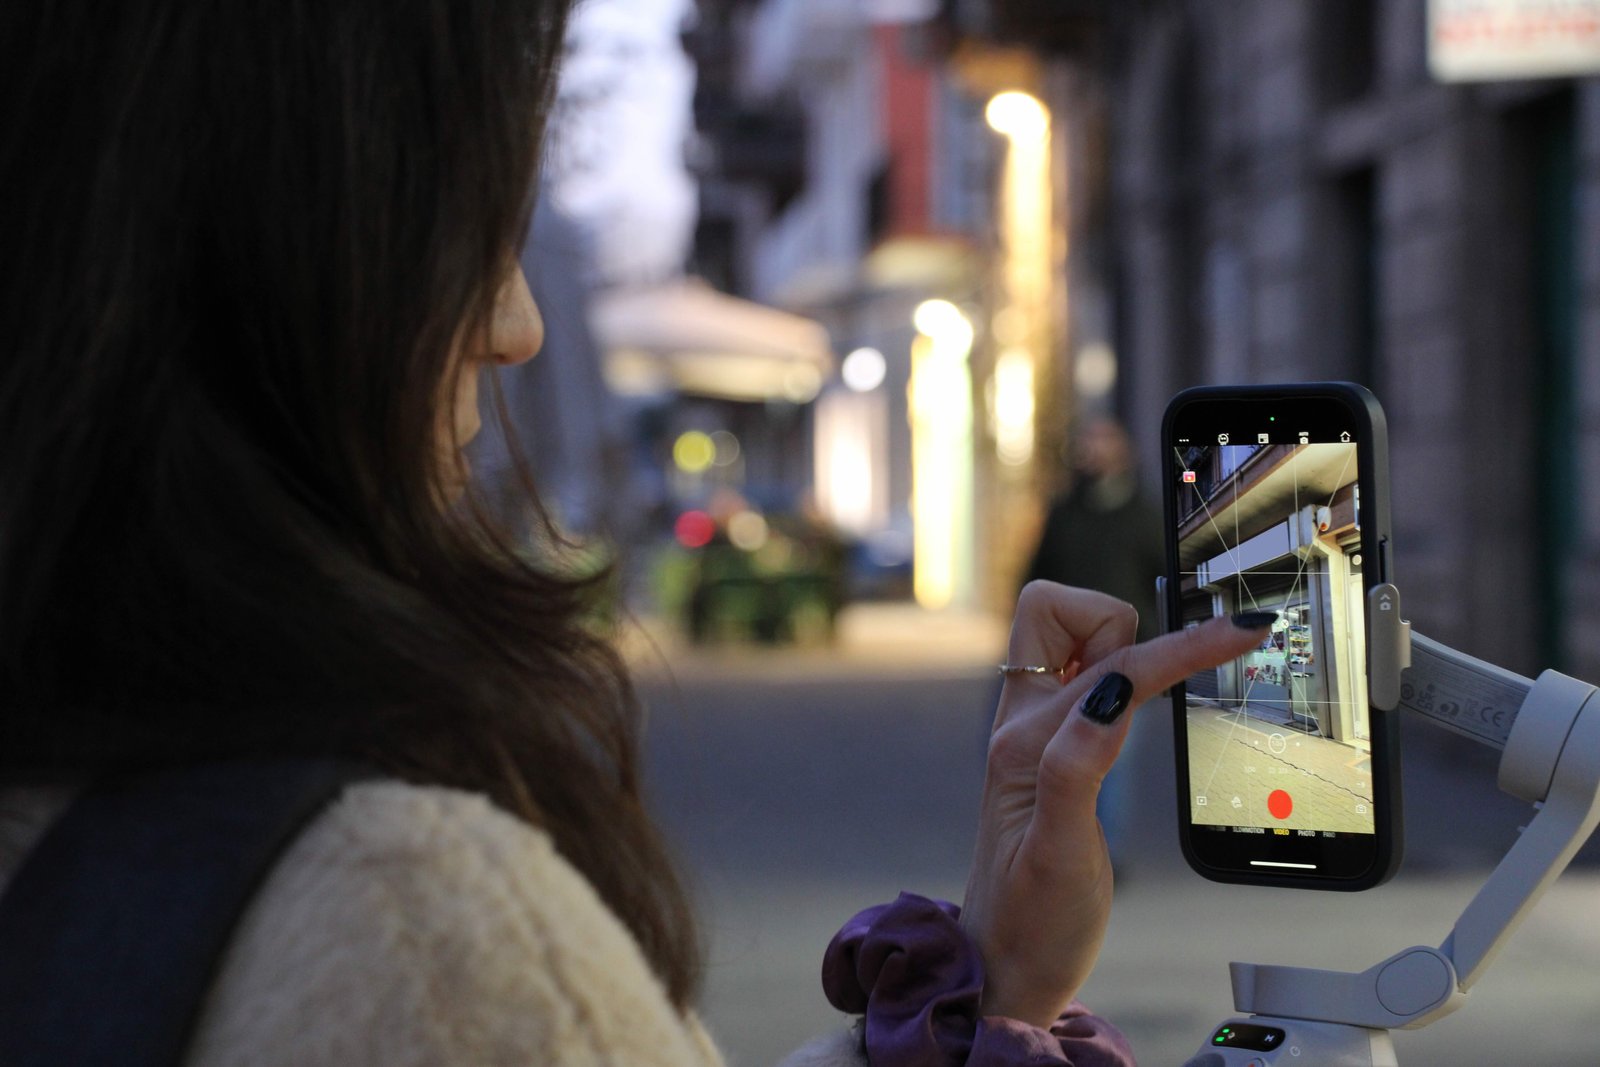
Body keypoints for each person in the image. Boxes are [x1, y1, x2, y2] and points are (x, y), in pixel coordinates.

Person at [0, 3, 1271, 1064]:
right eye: (462, 231)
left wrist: (984, 997)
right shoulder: (414, 921)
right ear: (270, 259)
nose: (515, 327)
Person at [1023, 418, 1166, 642]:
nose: (1095, 447)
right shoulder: (1064, 514)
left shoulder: (1146, 517)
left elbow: (1162, 577)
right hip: (1071, 646)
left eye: (1105, 439)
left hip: (1132, 645)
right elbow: (1039, 577)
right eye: (1089, 438)